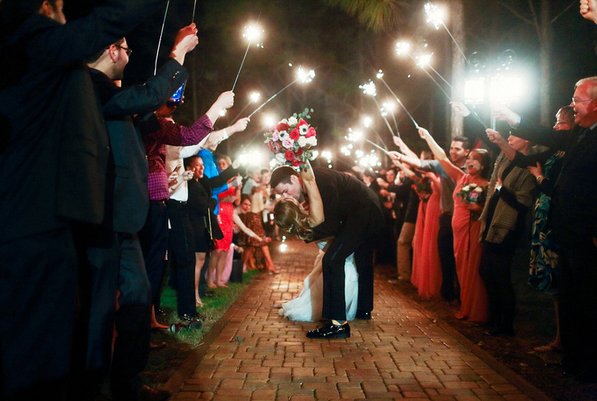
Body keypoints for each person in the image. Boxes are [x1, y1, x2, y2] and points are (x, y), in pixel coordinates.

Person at [0, 0, 164, 399]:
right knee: (36, 349)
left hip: (50, 217)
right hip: (33, 219)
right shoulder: (31, 42)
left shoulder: (44, 60)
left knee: (52, 339)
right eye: (58, 5)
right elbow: (107, 20)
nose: (64, 13)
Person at [78, 26, 196, 401]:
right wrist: (177, 55)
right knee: (98, 309)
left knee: (136, 295)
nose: (129, 56)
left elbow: (148, 109)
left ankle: (126, 381)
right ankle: (95, 385)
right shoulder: (88, 86)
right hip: (101, 217)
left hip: (122, 220)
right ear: (112, 51)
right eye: (126, 49)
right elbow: (146, 95)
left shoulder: (112, 97)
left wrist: (168, 101)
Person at [494, 76, 597, 381]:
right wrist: (513, 118)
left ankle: (588, 366)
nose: (572, 106)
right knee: (569, 298)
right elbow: (548, 139)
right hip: (565, 233)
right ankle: (573, 360)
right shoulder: (580, 135)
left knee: (588, 301)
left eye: (577, 100)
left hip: (586, 235)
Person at [271, 163, 383, 339]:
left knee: (332, 260)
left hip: (364, 211)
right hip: (366, 210)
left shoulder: (319, 180)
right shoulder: (312, 182)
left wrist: (307, 235)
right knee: (363, 261)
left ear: (294, 179)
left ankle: (337, 324)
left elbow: (330, 225)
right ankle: (363, 309)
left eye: (285, 191)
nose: (286, 196)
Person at [399, 128, 491, 322]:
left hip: (470, 230)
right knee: (457, 266)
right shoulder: (460, 177)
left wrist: (476, 206)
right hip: (456, 229)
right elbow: (441, 158)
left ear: (483, 165)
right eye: (470, 159)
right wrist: (428, 137)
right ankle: (462, 302)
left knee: (470, 268)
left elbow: (484, 209)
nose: (470, 162)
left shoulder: (485, 184)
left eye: (475, 159)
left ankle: (474, 307)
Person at [395, 134, 472, 302]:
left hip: (464, 219)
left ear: (467, 152)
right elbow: (421, 164)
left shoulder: (468, 170)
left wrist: (427, 137)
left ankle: (462, 295)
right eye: (451, 148)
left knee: (461, 259)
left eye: (457, 149)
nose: (453, 151)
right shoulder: (443, 166)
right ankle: (448, 295)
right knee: (445, 257)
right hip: (445, 217)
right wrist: (400, 155)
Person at [481, 130, 536, 336]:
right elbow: (494, 183)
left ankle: (505, 325)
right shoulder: (504, 158)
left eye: (515, 136)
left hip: (508, 226)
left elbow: (523, 202)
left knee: (501, 275)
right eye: (509, 135)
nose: (510, 138)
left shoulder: (528, 166)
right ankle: (494, 317)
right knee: (487, 271)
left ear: (527, 140)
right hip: (492, 220)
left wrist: (502, 190)